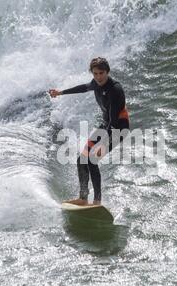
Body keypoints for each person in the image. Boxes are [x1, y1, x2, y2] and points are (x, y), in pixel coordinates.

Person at [49, 57, 130, 206]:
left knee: (92, 159)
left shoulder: (115, 90)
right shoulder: (96, 83)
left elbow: (114, 120)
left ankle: (97, 201)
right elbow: (83, 88)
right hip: (107, 126)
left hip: (118, 128)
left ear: (107, 72)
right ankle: (83, 198)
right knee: (82, 159)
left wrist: (103, 144)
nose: (98, 77)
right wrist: (60, 93)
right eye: (95, 73)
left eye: (101, 73)